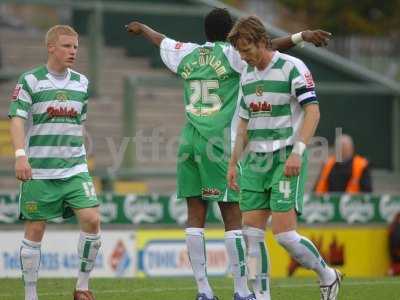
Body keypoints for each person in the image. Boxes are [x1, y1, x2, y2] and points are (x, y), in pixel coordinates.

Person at [126, 8, 331, 300]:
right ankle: (241, 290)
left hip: (189, 141)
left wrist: (143, 27)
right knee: (234, 219)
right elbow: (269, 46)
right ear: (230, 35)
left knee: (194, 216)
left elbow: (162, 41)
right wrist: (302, 36)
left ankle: (204, 291)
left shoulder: (187, 53)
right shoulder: (234, 55)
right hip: (219, 142)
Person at [227, 16, 342, 300]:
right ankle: (261, 296)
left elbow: (313, 112)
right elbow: (243, 123)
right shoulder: (248, 76)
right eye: (240, 52)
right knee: (250, 234)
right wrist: (233, 163)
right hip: (256, 161)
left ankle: (328, 275)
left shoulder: (292, 68)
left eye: (247, 50)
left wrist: (297, 153)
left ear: (262, 42)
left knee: (285, 236)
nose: (244, 56)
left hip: (285, 157)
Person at [9, 25, 101, 300]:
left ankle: (82, 288)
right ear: (51, 48)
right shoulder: (30, 80)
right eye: (66, 46)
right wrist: (20, 155)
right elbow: (16, 119)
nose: (73, 51)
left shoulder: (82, 83)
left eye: (75, 46)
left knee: (92, 219)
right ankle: (30, 294)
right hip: (39, 170)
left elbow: (79, 124)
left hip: (74, 168)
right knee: (36, 228)